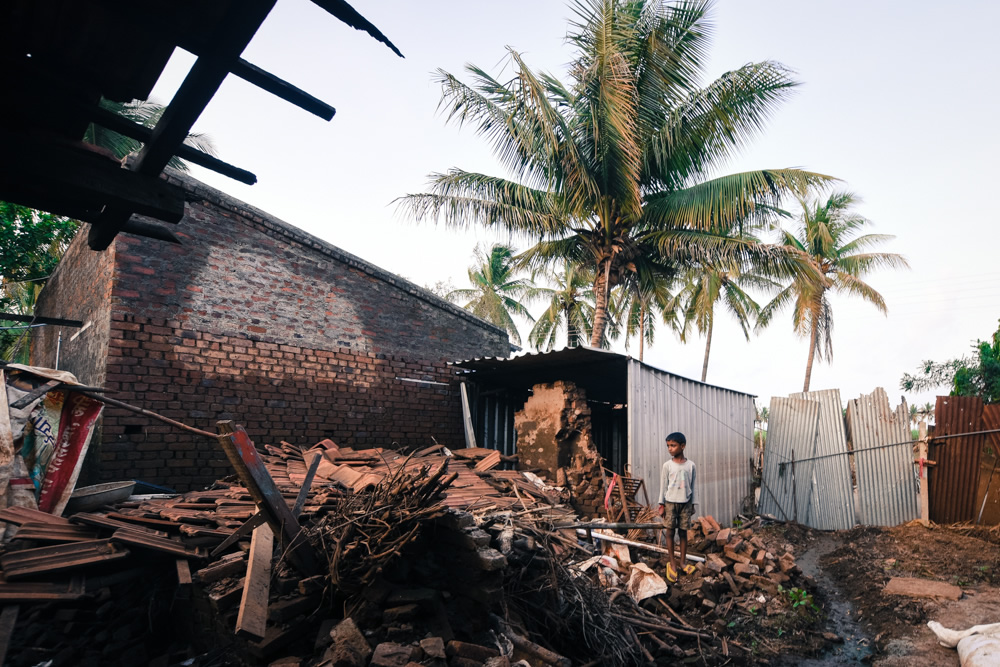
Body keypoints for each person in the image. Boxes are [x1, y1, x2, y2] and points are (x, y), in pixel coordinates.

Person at [657, 431, 696, 583]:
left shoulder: (690, 465)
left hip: (685, 503)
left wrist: (692, 504)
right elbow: (663, 486)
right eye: (668, 446)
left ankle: (683, 562)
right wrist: (661, 504)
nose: (670, 449)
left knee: (683, 533)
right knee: (669, 532)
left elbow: (693, 486)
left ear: (682, 446)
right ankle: (672, 562)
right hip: (670, 503)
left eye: (673, 445)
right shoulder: (667, 466)